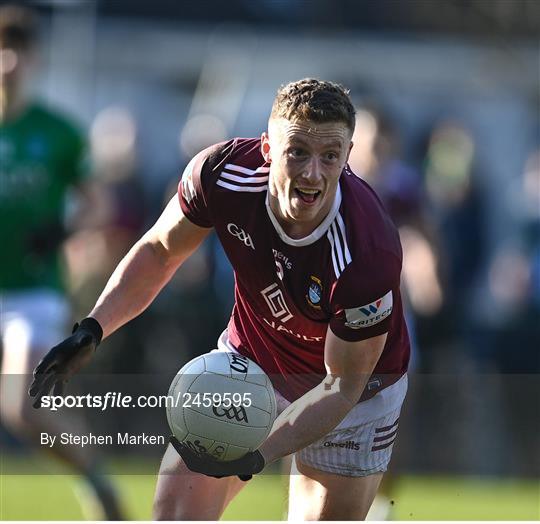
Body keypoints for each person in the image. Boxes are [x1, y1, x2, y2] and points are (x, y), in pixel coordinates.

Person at [30, 78, 410, 521]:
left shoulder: (368, 252)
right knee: (175, 512)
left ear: (348, 156)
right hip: (250, 365)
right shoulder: (221, 173)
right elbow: (160, 250)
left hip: (355, 393)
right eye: (297, 152)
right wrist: (92, 330)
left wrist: (254, 455)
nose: (312, 173)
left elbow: (340, 386)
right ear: (268, 149)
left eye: (330, 157)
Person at [0, 5, 123, 519]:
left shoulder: (58, 132)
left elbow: (100, 203)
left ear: (33, 60)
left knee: (24, 406)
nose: (8, 62)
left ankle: (97, 483)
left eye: (18, 52)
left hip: (31, 291)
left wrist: (63, 229)